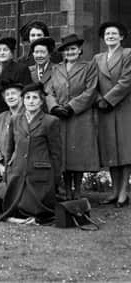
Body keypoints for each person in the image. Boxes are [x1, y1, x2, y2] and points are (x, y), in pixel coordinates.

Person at [45, 34, 98, 200]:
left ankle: (77, 191)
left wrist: (72, 106)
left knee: (78, 154)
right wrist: (54, 107)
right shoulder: (56, 69)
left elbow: (91, 90)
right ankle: (67, 190)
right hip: (60, 116)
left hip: (79, 116)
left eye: (73, 49)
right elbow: (48, 91)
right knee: (64, 154)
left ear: (79, 50)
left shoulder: (88, 67)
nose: (70, 52)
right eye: (67, 50)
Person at [0, 83, 61, 224]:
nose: (31, 101)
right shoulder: (15, 119)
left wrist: (55, 176)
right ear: (23, 100)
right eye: (27, 97)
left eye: (35, 98)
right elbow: (10, 148)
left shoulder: (50, 121)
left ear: (41, 102)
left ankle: (33, 216)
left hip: (39, 173)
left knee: (39, 212)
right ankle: (19, 218)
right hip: (18, 171)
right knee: (14, 208)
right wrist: (9, 168)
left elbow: (56, 153)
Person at [93, 22, 131, 207]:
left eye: (114, 33)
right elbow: (93, 82)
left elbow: (126, 81)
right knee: (111, 150)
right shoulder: (98, 58)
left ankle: (124, 192)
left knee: (124, 150)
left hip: (122, 107)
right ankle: (114, 191)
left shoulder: (128, 54)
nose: (110, 36)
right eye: (107, 33)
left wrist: (108, 99)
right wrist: (99, 99)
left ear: (121, 37)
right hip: (104, 109)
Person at [0, 37, 31, 128]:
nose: (2, 53)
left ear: (11, 53)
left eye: (5, 50)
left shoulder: (21, 69)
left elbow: (26, 94)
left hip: (12, 116)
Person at [0, 80, 24, 196]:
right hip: (4, 170)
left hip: (23, 170)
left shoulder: (29, 116)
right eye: (7, 95)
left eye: (13, 93)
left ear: (21, 96)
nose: (10, 97)